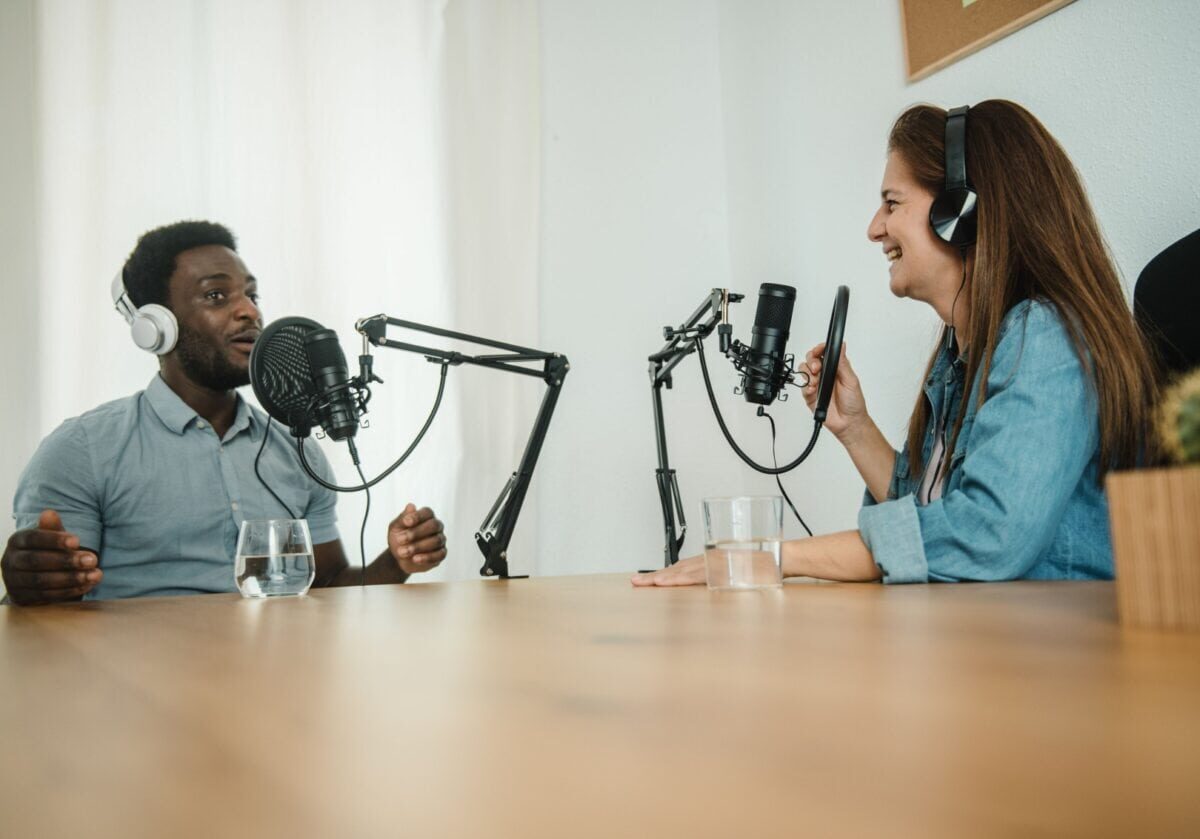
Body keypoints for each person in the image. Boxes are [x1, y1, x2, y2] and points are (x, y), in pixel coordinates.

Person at [633, 100, 1157, 587]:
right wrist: (855, 429)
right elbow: (928, 524)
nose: (874, 228)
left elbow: (986, 536)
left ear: (962, 212)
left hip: (1059, 666)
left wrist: (770, 557)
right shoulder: (959, 359)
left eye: (891, 203)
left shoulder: (1045, 337)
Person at [3, 221, 447, 605]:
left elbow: (328, 588)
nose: (249, 311)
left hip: (278, 684)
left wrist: (397, 561)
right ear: (156, 326)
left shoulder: (297, 451)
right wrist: (31, 585)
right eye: (217, 295)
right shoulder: (82, 451)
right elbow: (48, 600)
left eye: (252, 294)